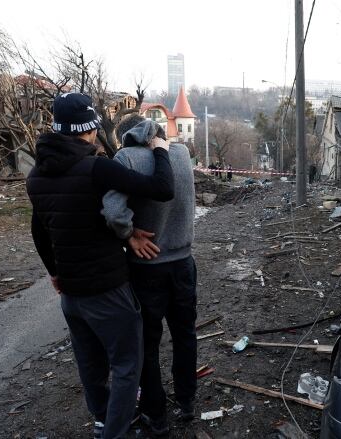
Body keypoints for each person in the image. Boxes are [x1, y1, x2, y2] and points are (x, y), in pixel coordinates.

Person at [26, 93, 175, 439]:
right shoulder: (98, 168)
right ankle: (116, 432)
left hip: (71, 296)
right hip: (108, 291)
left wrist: (54, 273)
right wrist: (160, 148)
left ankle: (101, 420)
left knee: (90, 364)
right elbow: (162, 188)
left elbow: (40, 230)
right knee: (126, 365)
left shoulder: (36, 176)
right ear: (91, 130)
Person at [102, 115, 197, 436]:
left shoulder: (126, 158)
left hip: (147, 268)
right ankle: (187, 402)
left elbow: (113, 212)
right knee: (185, 335)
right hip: (184, 263)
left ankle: (156, 415)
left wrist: (128, 232)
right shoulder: (181, 153)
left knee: (148, 345)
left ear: (126, 135)